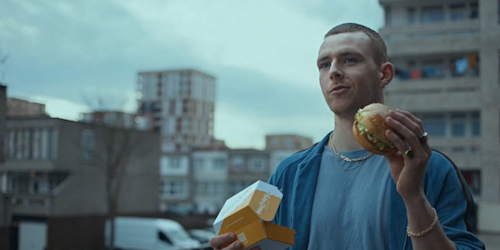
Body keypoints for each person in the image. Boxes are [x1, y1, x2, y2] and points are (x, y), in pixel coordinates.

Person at [209, 23, 485, 250]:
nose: (334, 72)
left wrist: (413, 197)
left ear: (384, 74)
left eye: (349, 59)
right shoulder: (290, 174)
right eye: (324, 64)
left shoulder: (431, 168)